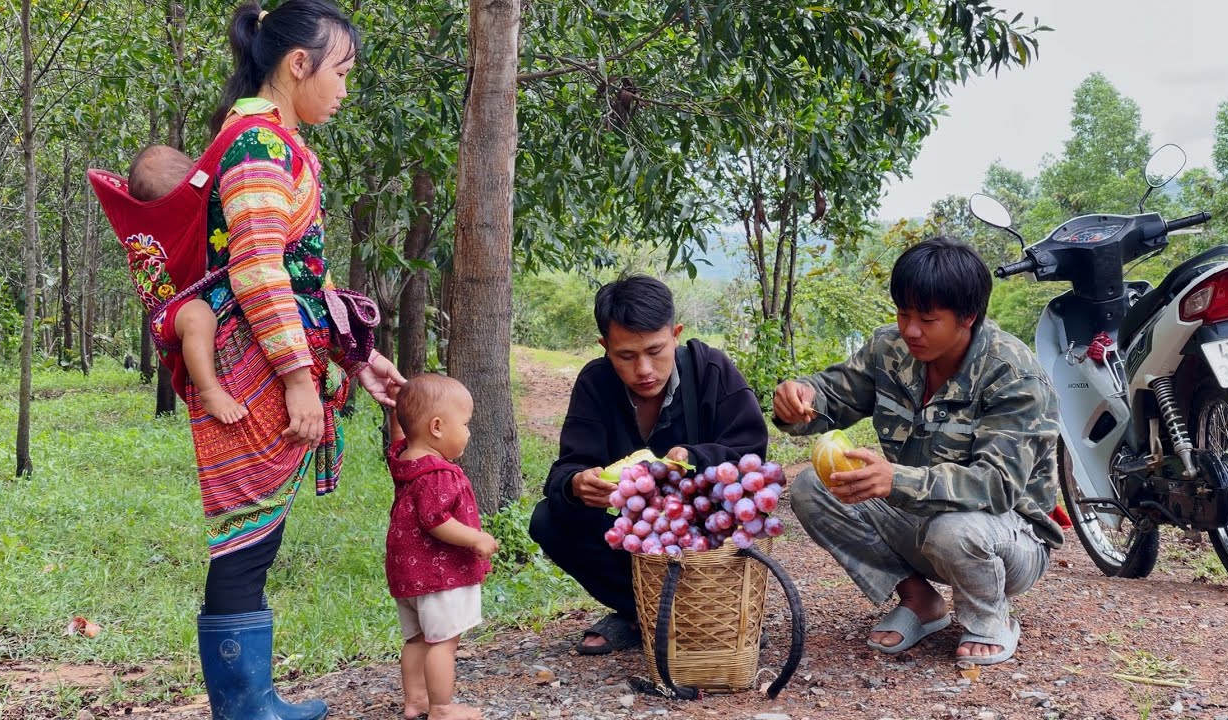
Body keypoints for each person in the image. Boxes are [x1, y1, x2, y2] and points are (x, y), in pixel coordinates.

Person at [161, 3, 407, 719]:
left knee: (255, 535)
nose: (344, 89)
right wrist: (301, 378)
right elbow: (259, 272)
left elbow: (305, 274)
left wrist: (359, 357)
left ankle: (254, 700)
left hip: (270, 363)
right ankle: (245, 709)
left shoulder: (274, 143)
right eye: (341, 72)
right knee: (244, 537)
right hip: (257, 374)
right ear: (298, 64)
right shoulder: (258, 148)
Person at [773, 237, 1063, 666]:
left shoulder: (1013, 375)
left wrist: (897, 479)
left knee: (955, 529)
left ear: (968, 317)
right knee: (813, 487)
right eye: (903, 313)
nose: (910, 330)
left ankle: (989, 618)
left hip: (1009, 537)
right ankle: (919, 601)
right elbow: (830, 398)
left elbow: (996, 485)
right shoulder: (889, 350)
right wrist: (797, 399)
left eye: (927, 319)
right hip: (921, 518)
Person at [529, 274, 769, 655]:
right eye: (626, 355)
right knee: (548, 521)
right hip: (632, 530)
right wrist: (576, 484)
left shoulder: (712, 371)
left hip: (702, 524)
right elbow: (567, 468)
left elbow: (753, 457)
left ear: (675, 334)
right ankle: (642, 611)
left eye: (656, 351)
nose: (644, 369)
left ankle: (715, 613)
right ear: (605, 347)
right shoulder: (595, 383)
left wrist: (696, 459)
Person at [385, 374, 498, 720]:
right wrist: (476, 537)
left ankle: (415, 700)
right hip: (439, 576)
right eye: (464, 423)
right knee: (443, 642)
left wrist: (395, 414)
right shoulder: (438, 474)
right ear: (436, 427)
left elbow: (402, 434)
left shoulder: (404, 460)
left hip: (408, 574)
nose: (468, 431)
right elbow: (436, 521)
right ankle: (442, 708)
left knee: (417, 639)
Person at [127, 145, 248, 424]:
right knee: (198, 316)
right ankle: (209, 390)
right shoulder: (152, 233)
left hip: (192, 301)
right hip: (172, 312)